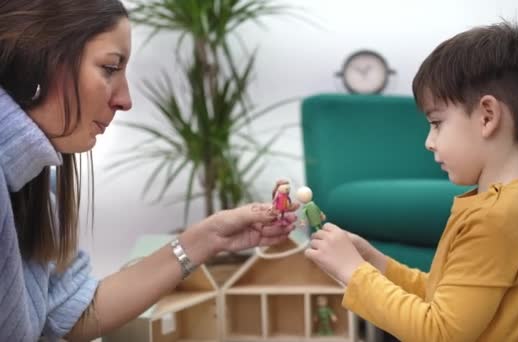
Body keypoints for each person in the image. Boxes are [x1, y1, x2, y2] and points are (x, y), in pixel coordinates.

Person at [0, 1, 296, 341]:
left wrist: (209, 238)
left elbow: (72, 313)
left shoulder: (35, 181)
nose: (125, 100)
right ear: (34, 58)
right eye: (110, 68)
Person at [305, 21, 518, 341]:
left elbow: (438, 331)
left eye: (437, 123)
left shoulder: (498, 218)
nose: (429, 141)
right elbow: (444, 296)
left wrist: (352, 272)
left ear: (487, 117)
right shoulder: (499, 205)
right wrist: (376, 263)